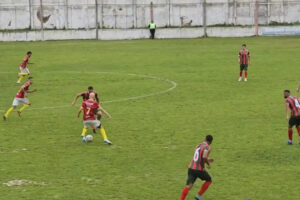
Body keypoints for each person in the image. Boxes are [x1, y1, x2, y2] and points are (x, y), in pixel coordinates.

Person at [180, 135, 214, 200]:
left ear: (205, 139)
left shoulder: (198, 145)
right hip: (199, 169)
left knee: (189, 186)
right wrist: (208, 163)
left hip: (191, 168)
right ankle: (198, 196)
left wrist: (208, 159)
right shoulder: (207, 147)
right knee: (209, 180)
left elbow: (198, 157)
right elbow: (204, 157)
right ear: (211, 142)